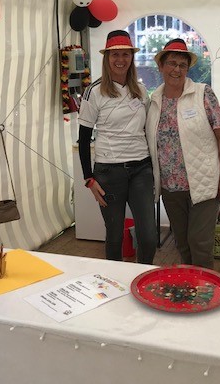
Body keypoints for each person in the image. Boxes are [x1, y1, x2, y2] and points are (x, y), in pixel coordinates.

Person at [145, 38, 220, 269]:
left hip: (203, 183)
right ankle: (191, 285)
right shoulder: (154, 101)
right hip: (170, 188)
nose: (177, 70)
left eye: (182, 65)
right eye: (172, 63)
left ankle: (205, 292)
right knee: (182, 243)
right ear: (161, 67)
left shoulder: (203, 94)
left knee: (200, 242)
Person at [78, 30, 157, 264]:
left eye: (125, 54)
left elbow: (148, 129)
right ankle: (114, 286)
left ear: (132, 57)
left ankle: (141, 279)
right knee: (114, 236)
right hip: (109, 172)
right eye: (115, 55)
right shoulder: (95, 91)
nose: (120, 59)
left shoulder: (140, 91)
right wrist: (88, 179)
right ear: (106, 58)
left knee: (148, 236)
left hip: (141, 169)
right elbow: (83, 137)